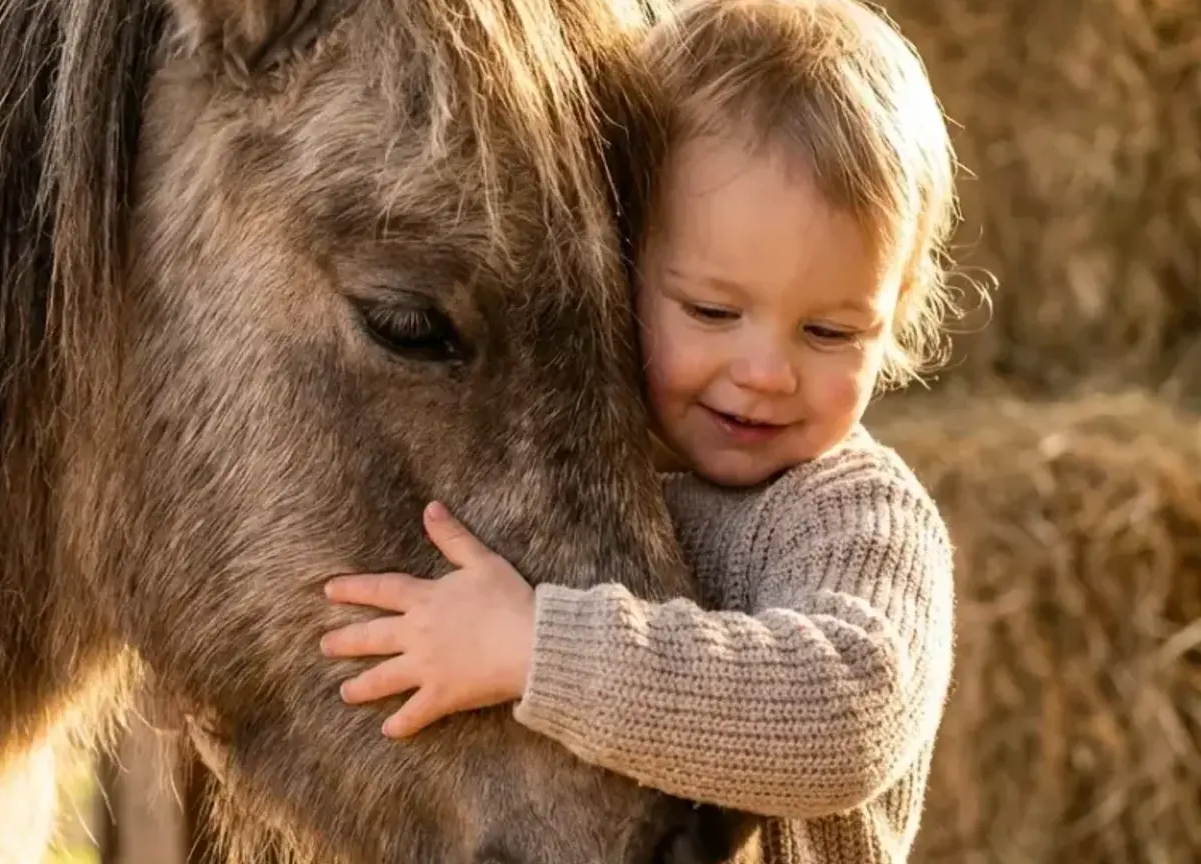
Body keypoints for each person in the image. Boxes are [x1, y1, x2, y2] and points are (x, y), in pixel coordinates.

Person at [315, 0, 971, 861]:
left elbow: (853, 716)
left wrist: (535, 648)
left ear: (897, 320)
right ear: (613, 269)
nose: (767, 372)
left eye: (831, 332)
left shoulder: (853, 518)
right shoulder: (564, 465)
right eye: (711, 309)